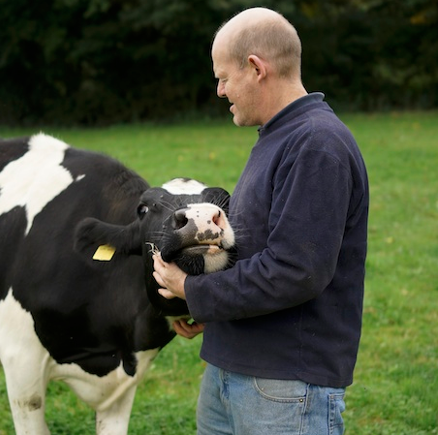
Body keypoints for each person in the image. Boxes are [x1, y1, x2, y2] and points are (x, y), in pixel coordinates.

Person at [152, 7, 368, 435]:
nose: (219, 90)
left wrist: (193, 289)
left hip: (285, 387)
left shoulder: (316, 144)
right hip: (235, 369)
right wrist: (206, 307)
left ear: (255, 68)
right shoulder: (280, 135)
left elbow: (296, 270)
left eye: (224, 77)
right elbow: (262, 248)